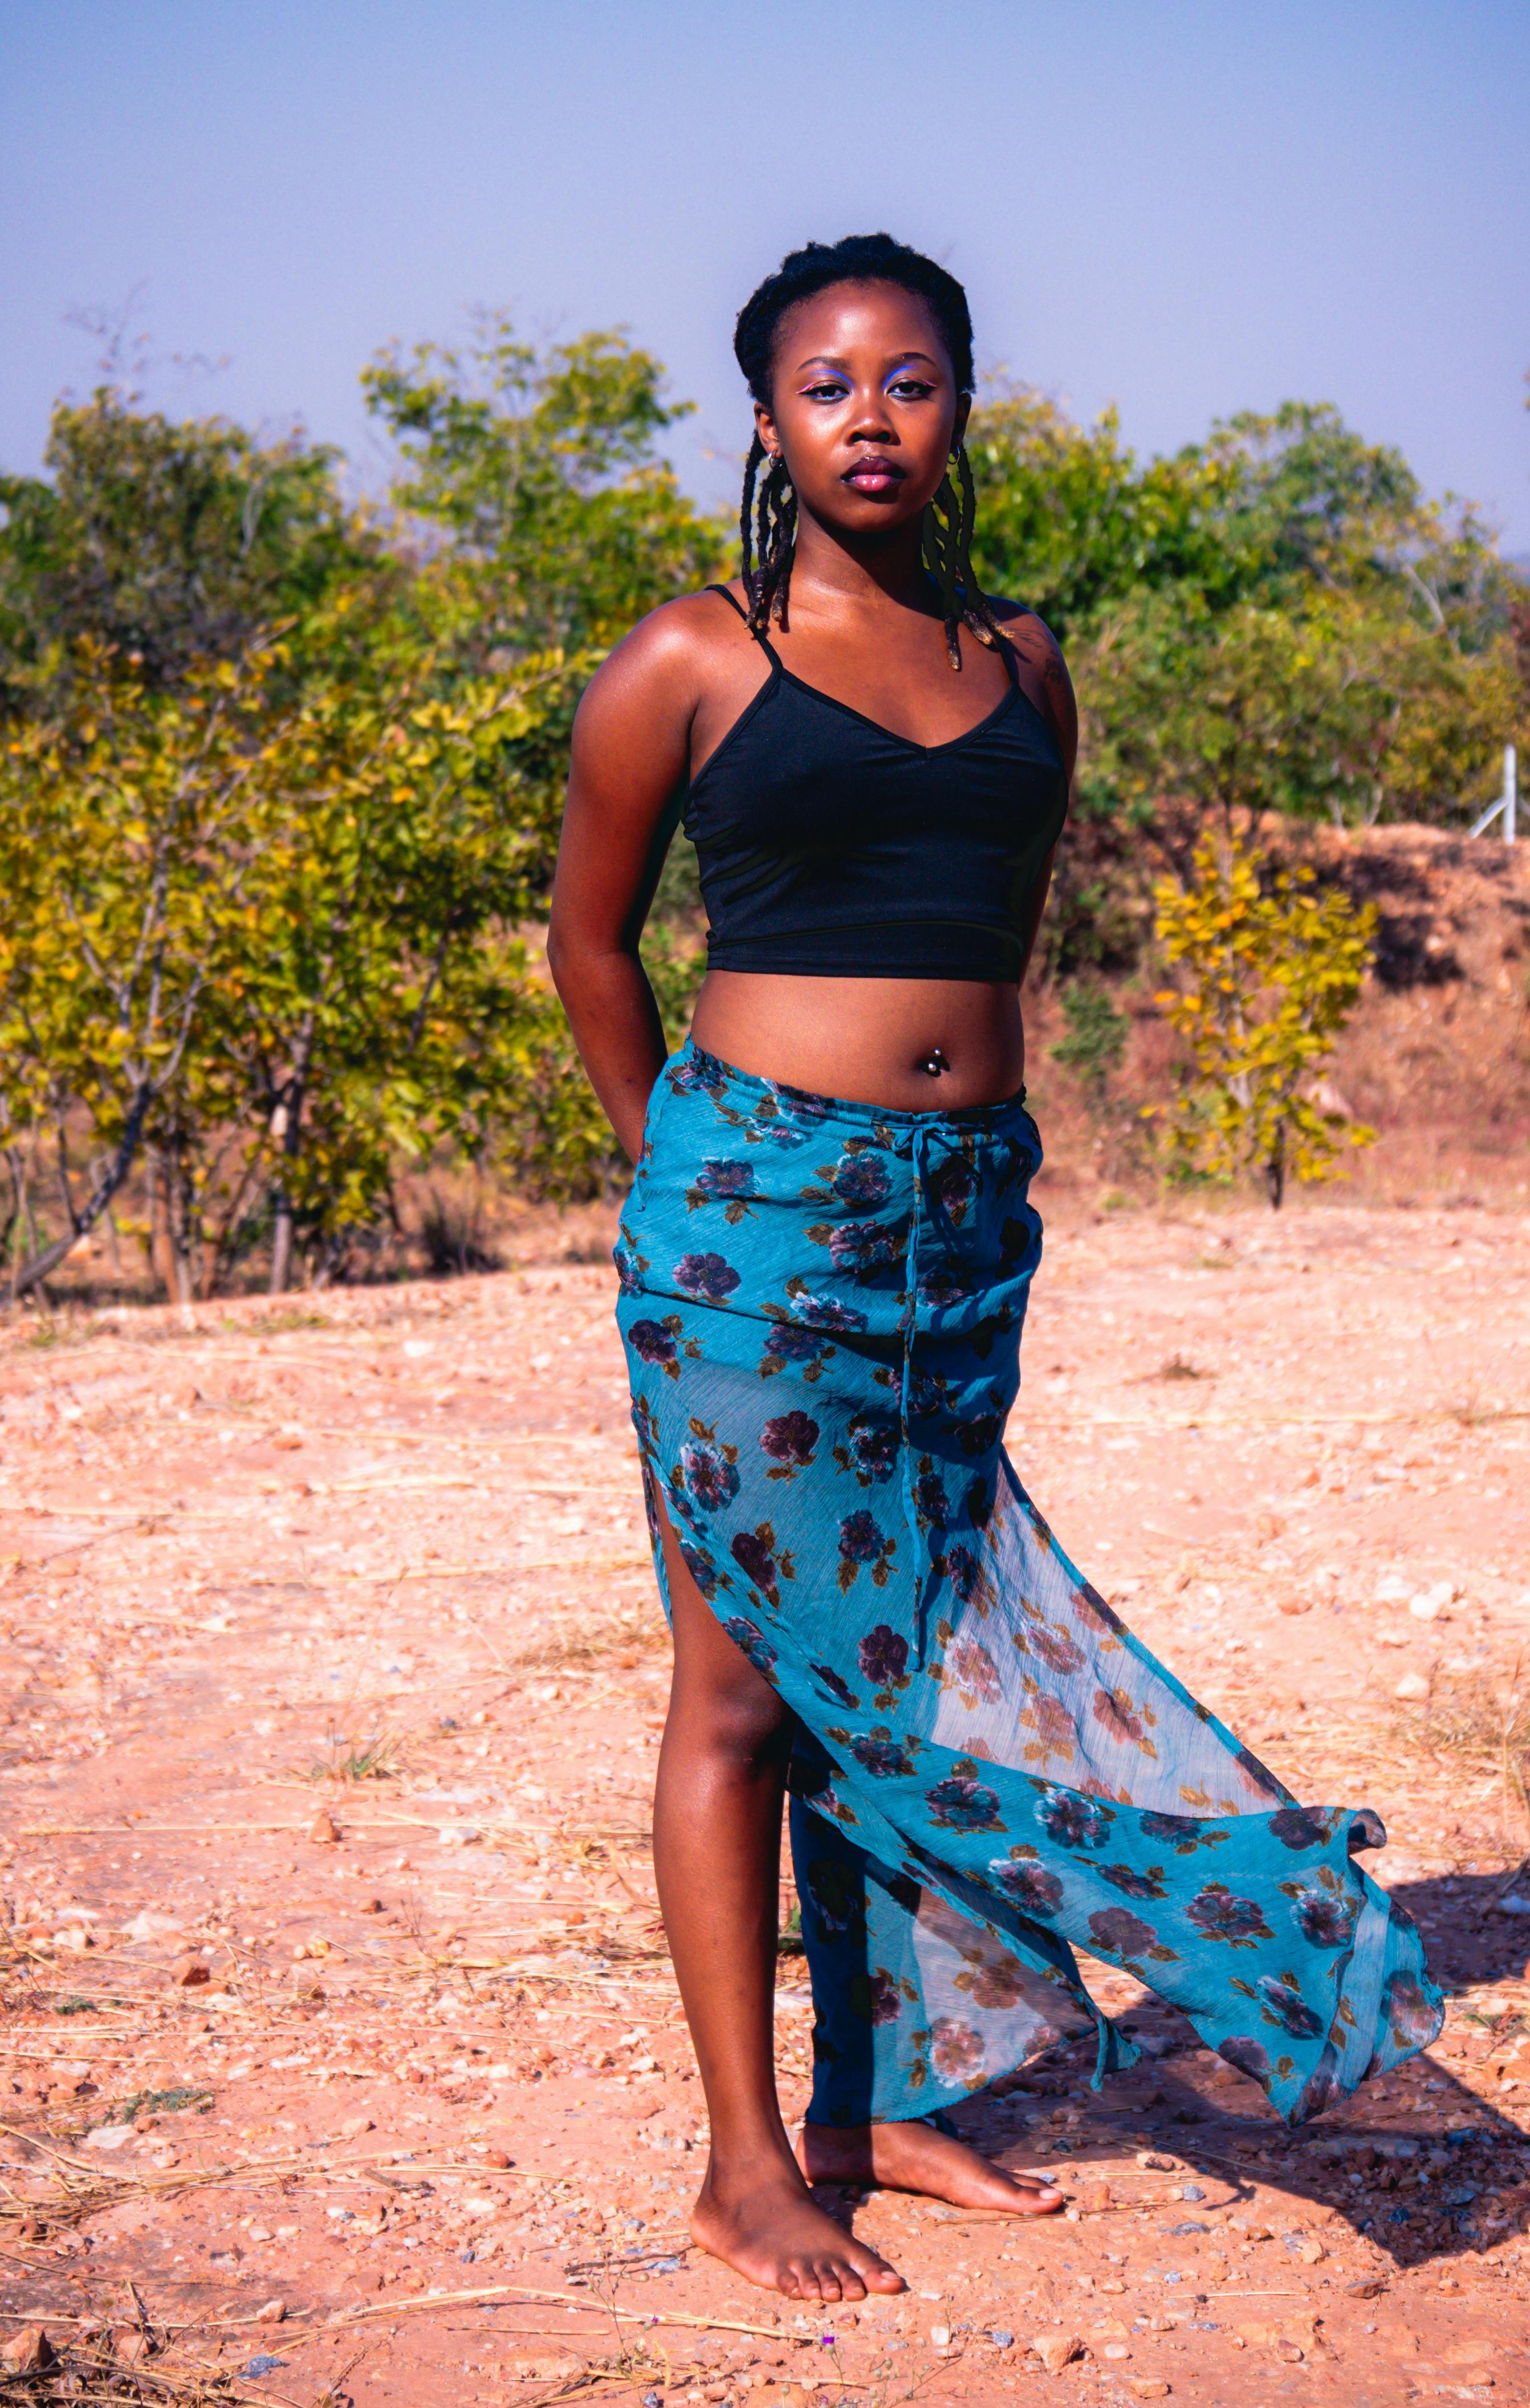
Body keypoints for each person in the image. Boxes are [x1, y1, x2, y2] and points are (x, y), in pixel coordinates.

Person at [548, 233, 1440, 2307]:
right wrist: (684, 1179)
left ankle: (876, 2101)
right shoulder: (693, 655)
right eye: (829, 385)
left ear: (965, 402)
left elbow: (983, 938)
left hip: (968, 1223)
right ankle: (745, 2164)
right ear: (768, 421)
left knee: (904, 1666)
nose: (873, 417)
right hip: (754, 1226)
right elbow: (593, 946)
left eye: (913, 379)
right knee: (746, 1686)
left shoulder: (1026, 660)